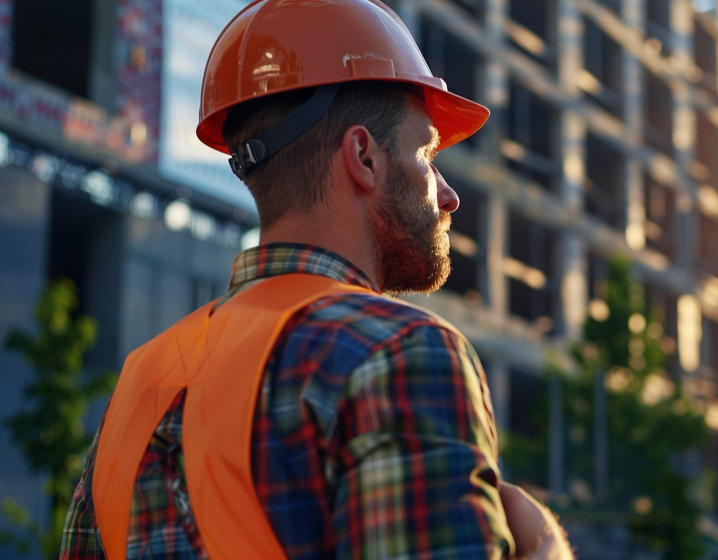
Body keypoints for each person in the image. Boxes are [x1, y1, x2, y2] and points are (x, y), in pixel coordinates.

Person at [58, 1, 573, 559]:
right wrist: (546, 545)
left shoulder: (137, 390)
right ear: (363, 158)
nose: (448, 195)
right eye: (426, 153)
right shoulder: (401, 353)